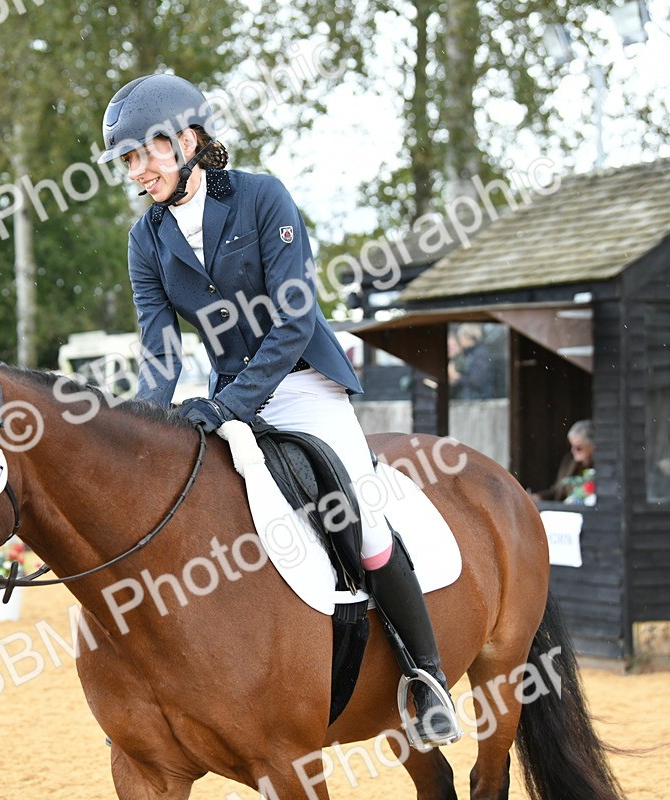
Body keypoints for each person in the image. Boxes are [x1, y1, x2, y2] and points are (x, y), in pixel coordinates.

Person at [99, 73, 460, 746]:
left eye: (144, 153)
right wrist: (143, 434)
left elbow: (294, 321)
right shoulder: (146, 240)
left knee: (362, 513)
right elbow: (160, 353)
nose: (135, 171)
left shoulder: (263, 198)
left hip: (300, 383)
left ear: (188, 140)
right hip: (222, 394)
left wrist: (228, 404)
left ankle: (425, 675)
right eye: (125, 160)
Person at [533, 419, 594, 503]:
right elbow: (557, 490)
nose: (574, 452)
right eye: (572, 446)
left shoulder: (601, 467)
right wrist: (538, 497)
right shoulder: (569, 461)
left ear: (593, 446)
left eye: (579, 448)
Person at [448, 323, 493, 399]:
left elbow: (476, 381)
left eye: (460, 337)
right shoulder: (471, 353)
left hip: (479, 399)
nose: (459, 340)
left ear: (468, 337)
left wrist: (457, 377)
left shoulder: (480, 354)